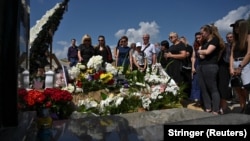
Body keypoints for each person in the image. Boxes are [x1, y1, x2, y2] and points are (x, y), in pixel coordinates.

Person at [197, 24, 225, 115]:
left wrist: (201, 51)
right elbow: (201, 56)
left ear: (208, 32)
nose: (201, 35)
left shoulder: (214, 40)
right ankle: (208, 107)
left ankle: (216, 109)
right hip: (201, 66)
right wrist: (202, 52)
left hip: (210, 66)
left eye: (203, 32)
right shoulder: (204, 43)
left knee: (212, 88)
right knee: (203, 88)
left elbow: (208, 52)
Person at [229, 19, 250, 113]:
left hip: (245, 63)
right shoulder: (235, 41)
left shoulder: (248, 37)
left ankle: (247, 107)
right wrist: (231, 67)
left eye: (237, 26)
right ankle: (243, 108)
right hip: (235, 64)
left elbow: (249, 53)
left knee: (246, 87)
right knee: (237, 87)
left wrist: (240, 67)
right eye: (234, 27)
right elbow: (231, 55)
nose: (235, 28)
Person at [217, 32, 233, 114]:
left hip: (236, 67)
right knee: (222, 86)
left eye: (231, 37)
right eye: (228, 37)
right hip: (223, 67)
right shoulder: (225, 46)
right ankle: (223, 106)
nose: (229, 38)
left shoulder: (237, 46)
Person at [190, 32, 203, 105]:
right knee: (196, 82)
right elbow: (193, 57)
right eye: (196, 38)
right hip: (197, 63)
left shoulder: (206, 44)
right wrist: (192, 67)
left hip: (204, 63)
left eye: (199, 37)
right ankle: (197, 99)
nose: (198, 39)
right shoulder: (195, 46)